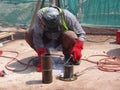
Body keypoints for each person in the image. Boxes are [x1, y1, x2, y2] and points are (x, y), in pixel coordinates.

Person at [25, 6, 86, 72]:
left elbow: (81, 33)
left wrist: (78, 48)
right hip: (46, 40)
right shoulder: (40, 16)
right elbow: (37, 36)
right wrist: (42, 54)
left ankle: (68, 56)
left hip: (61, 41)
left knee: (71, 36)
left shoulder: (67, 16)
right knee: (29, 33)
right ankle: (45, 56)